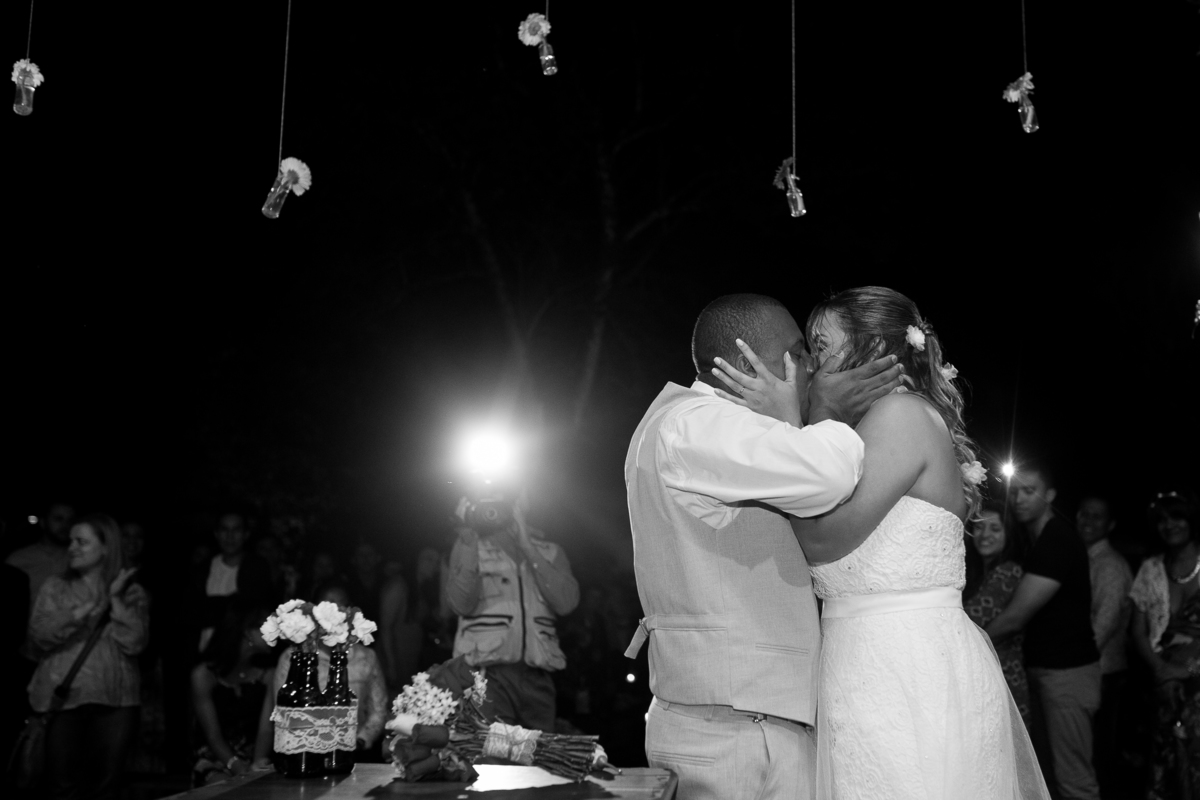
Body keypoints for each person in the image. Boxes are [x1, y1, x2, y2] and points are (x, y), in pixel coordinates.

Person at [715, 287, 1048, 799]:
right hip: (867, 665)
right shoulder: (870, 427)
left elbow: (821, 542)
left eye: (821, 346)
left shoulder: (901, 416)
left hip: (906, 671)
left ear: (871, 349)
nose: (811, 364)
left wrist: (798, 422)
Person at [625, 292, 903, 800]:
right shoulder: (697, 422)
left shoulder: (702, 424)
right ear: (759, 362)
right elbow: (828, 474)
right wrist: (829, 410)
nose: (813, 368)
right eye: (802, 354)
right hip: (734, 731)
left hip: (744, 721)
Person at [986, 464, 1102, 800]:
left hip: (1067, 674)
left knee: (1074, 781)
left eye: (1029, 490)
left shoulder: (1057, 539)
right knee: (1049, 775)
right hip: (1046, 671)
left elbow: (1015, 617)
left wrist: (969, 643)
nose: (1019, 499)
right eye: (1015, 492)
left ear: (1049, 495)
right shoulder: (1036, 539)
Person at [28, 513, 148, 800]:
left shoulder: (131, 590)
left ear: (106, 547)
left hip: (116, 700)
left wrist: (115, 600)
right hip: (63, 697)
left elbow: (135, 643)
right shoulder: (56, 586)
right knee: (62, 787)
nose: (72, 548)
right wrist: (82, 611)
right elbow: (40, 635)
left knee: (106, 789)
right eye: (71, 541)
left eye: (81, 542)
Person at [445, 492, 579, 733]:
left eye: (509, 493)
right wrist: (468, 538)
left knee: (538, 753)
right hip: (486, 677)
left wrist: (527, 545)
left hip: (537, 677)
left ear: (525, 499)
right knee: (492, 752)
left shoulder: (550, 551)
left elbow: (567, 603)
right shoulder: (470, 545)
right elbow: (460, 604)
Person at [256, 582, 390, 761]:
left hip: (356, 754)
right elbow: (284, 711)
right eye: (328, 605)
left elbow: (378, 710)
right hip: (304, 754)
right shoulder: (292, 657)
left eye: (341, 605)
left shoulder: (366, 656)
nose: (335, 612)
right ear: (313, 612)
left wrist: (359, 741)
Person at [1129, 490, 1200, 800]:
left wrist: (1189, 670)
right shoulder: (1151, 568)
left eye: (1177, 517)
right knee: (1165, 759)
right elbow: (1138, 631)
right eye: (1162, 520)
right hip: (1164, 684)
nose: (1169, 525)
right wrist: (1161, 669)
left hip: (1196, 683)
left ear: (1191, 520)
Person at [1076, 494, 1134, 798]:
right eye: (1084, 513)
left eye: (1096, 516)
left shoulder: (1110, 564)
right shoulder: (1085, 557)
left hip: (1102, 670)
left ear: (1110, 525)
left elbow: (1105, 624)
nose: (1088, 520)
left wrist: (1074, 663)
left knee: (1098, 751)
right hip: (1091, 668)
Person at [190, 602, 276, 785]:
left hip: (256, 758)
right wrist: (238, 768)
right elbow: (212, 735)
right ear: (247, 632)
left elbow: (266, 729)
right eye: (269, 626)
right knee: (221, 785)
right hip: (216, 758)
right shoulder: (204, 675)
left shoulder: (269, 675)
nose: (276, 633)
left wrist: (255, 766)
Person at [964, 502, 1033, 727]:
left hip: (1002, 673)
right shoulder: (973, 572)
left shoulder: (1009, 571)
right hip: (978, 672)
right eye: (979, 527)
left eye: (995, 528)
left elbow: (973, 617)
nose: (985, 535)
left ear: (1008, 535)